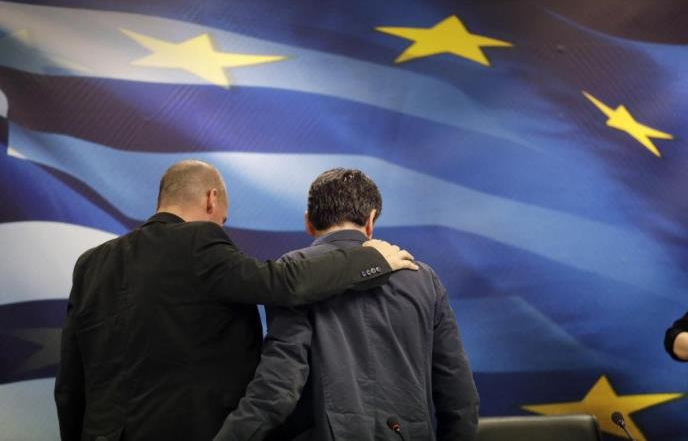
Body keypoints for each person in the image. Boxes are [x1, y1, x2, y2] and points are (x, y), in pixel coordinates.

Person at [54, 160, 417, 441]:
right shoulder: (200, 241)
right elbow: (282, 283)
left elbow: (69, 385)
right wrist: (369, 260)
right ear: (211, 199)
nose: (221, 226)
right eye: (223, 219)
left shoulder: (91, 264)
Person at [216, 168, 479, 441]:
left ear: (308, 222)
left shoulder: (294, 272)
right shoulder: (423, 279)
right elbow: (459, 395)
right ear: (371, 219)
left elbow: (279, 385)